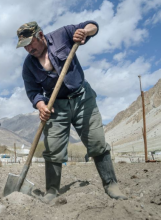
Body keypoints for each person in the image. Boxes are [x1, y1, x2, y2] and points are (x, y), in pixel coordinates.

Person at [16, 21, 127, 203]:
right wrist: (41, 105)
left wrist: (84, 32)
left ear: (41, 36)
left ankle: (111, 184)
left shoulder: (62, 34)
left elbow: (93, 26)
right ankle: (52, 190)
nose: (28, 49)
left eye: (30, 43)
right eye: (24, 46)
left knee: (97, 142)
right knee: (52, 148)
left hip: (82, 98)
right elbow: (33, 92)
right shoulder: (29, 65)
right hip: (56, 106)